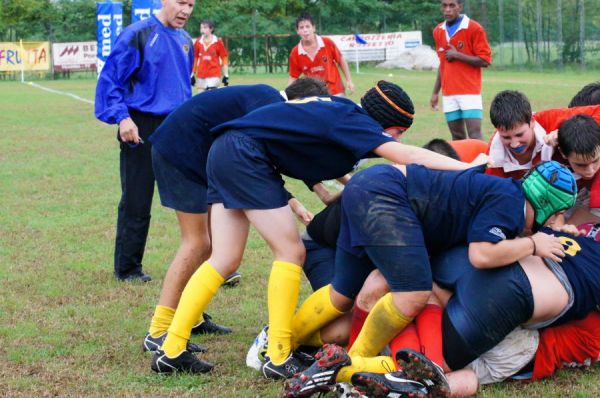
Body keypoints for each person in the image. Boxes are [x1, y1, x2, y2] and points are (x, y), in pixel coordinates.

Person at [150, 81, 477, 377]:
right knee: (291, 251)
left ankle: (172, 348)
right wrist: (469, 169)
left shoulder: (341, 111)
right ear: (390, 126)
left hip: (225, 149)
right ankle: (278, 355)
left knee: (224, 258)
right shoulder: (356, 123)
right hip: (245, 155)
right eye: (398, 131)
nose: (397, 138)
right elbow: (404, 155)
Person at [284, 161, 577, 397]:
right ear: (548, 205)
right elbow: (482, 254)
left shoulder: (506, 191)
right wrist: (534, 244)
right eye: (557, 215)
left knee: (344, 292)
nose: (555, 223)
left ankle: (279, 347)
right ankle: (346, 368)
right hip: (389, 196)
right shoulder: (511, 203)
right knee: (414, 292)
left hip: (372, 184)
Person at [142, 79, 329, 354]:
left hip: (199, 158)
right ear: (298, 102)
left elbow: (259, 162)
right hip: (179, 154)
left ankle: (191, 319)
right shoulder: (269, 100)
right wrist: (316, 189)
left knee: (211, 246)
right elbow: (264, 158)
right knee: (197, 243)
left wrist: (298, 201)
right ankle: (158, 330)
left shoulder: (266, 100)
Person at [94, 0, 195, 282]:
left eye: (191, 3)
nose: (186, 10)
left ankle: (214, 262)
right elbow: (111, 80)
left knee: (198, 194)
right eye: (180, 2)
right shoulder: (138, 34)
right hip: (141, 124)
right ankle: (128, 268)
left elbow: (182, 85)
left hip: (178, 126)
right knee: (138, 198)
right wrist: (122, 118)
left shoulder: (187, 40)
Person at [485, 90, 600, 180]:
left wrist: (565, 132)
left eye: (520, 134)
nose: (515, 144)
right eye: (506, 137)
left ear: (532, 121)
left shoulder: (551, 120)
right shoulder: (494, 156)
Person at [431, 0, 491, 141]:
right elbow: (443, 64)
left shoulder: (474, 28)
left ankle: (483, 163)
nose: (448, 9)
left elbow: (485, 60)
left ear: (460, 7)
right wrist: (435, 92)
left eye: (452, 5)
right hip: (449, 94)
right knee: (457, 137)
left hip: (469, 92)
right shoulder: (438, 31)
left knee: (475, 135)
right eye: (444, 5)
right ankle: (462, 164)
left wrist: (457, 55)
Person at [288, 13, 354, 97]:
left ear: (313, 28)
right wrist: (287, 93)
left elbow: (341, 60)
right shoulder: (295, 52)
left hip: (335, 90)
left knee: (341, 110)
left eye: (308, 26)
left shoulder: (327, 42)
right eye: (301, 27)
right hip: (314, 94)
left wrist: (349, 80)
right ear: (297, 31)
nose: (305, 30)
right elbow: (293, 76)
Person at [192, 20, 229, 92]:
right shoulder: (198, 42)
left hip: (214, 74)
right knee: (201, 98)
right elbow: (195, 58)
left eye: (205, 28)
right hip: (201, 75)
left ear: (211, 29)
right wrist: (192, 74)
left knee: (210, 95)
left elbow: (224, 58)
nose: (202, 30)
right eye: (201, 28)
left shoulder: (217, 42)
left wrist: (226, 75)